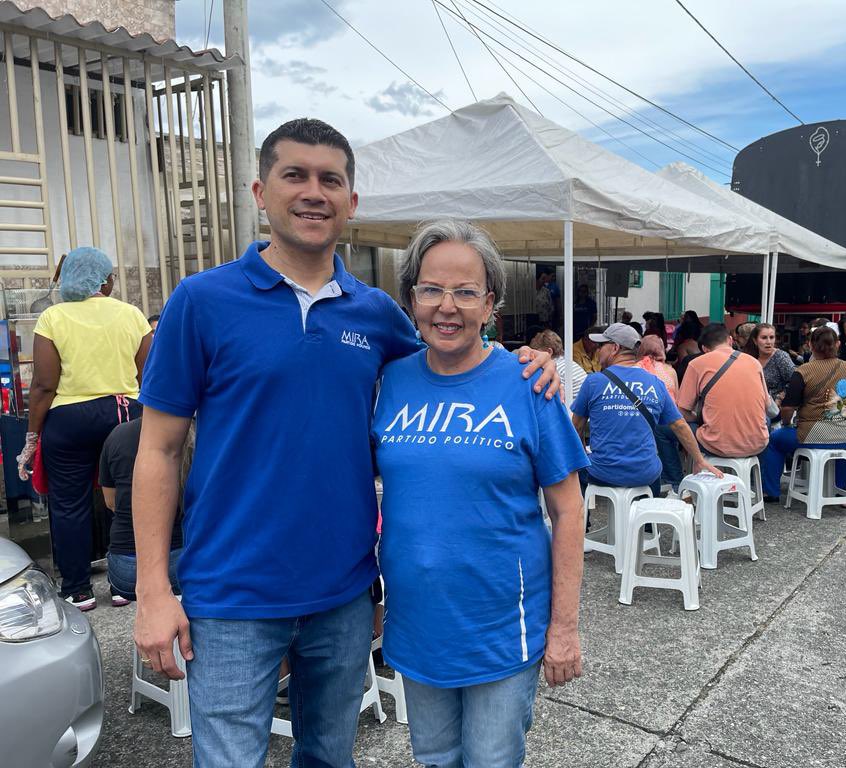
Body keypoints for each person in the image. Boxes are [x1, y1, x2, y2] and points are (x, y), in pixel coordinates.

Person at [131, 118, 559, 768]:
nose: (313, 192)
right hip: (230, 596)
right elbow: (157, 451)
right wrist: (153, 592)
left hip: (344, 596)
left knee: (330, 759)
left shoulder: (377, 313)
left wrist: (526, 359)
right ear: (260, 192)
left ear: (350, 201)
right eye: (294, 175)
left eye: (329, 179)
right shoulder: (201, 301)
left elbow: (453, 360)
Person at [373, 219, 587, 767]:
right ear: (412, 299)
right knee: (435, 759)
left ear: (490, 304)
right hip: (417, 626)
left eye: (466, 292)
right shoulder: (390, 380)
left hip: (501, 628)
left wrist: (564, 628)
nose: (447, 307)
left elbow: (569, 510)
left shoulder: (529, 382)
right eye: (432, 289)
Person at [15, 246, 152, 610]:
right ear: (104, 281)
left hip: (69, 419)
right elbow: (149, 376)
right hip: (125, 415)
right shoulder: (131, 315)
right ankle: (127, 584)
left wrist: (32, 438)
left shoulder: (52, 317)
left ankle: (77, 589)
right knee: (130, 497)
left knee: (68, 504)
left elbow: (44, 384)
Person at [572, 323, 721, 498]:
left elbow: (576, 427)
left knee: (577, 470)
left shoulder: (593, 382)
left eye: (601, 345)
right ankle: (648, 513)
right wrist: (699, 460)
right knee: (654, 468)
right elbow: (680, 425)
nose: (597, 351)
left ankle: (585, 515)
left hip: (603, 472)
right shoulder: (655, 383)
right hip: (645, 473)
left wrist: (583, 455)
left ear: (615, 348)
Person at [758, 326, 846, 502]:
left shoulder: (803, 371)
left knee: (774, 440)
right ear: (837, 344)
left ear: (810, 346)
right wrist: (845, 416)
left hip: (813, 434)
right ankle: (839, 488)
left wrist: (786, 424)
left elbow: (788, 408)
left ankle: (771, 492)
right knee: (841, 447)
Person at [100, 415, 185, 606]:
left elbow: (110, 502)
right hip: (180, 558)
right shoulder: (190, 434)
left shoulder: (117, 435)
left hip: (125, 568)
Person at [677, 323, 770, 460]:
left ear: (704, 348)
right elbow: (767, 405)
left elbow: (682, 412)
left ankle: (674, 474)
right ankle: (758, 472)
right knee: (766, 420)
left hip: (716, 444)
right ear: (730, 340)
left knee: (664, 430)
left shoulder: (696, 364)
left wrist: (698, 418)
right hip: (758, 443)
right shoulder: (754, 362)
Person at [637, 335, 683, 489]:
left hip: (643, 424)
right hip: (671, 422)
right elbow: (676, 402)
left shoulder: (637, 369)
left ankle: (669, 479)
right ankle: (674, 482)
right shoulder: (670, 371)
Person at [743, 323, 795, 403]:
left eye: (771, 337)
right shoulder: (750, 357)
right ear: (755, 341)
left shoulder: (781, 357)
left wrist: (780, 397)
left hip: (774, 406)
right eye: (764, 338)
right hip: (753, 404)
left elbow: (794, 381)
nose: (768, 342)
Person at [532, 329, 587, 403]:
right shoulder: (567, 363)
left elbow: (555, 399)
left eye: (538, 353)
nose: (534, 357)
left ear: (549, 352)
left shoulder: (555, 369)